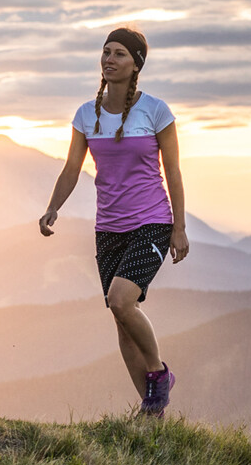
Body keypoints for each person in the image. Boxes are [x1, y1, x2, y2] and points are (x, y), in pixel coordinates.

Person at [38, 26, 188, 417]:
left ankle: (159, 374)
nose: (109, 59)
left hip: (152, 222)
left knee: (122, 300)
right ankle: (151, 410)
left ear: (136, 63)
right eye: (106, 51)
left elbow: (172, 171)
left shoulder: (156, 111)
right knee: (121, 318)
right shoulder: (86, 115)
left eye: (119, 53)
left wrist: (180, 227)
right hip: (108, 228)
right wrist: (53, 207)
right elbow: (73, 167)